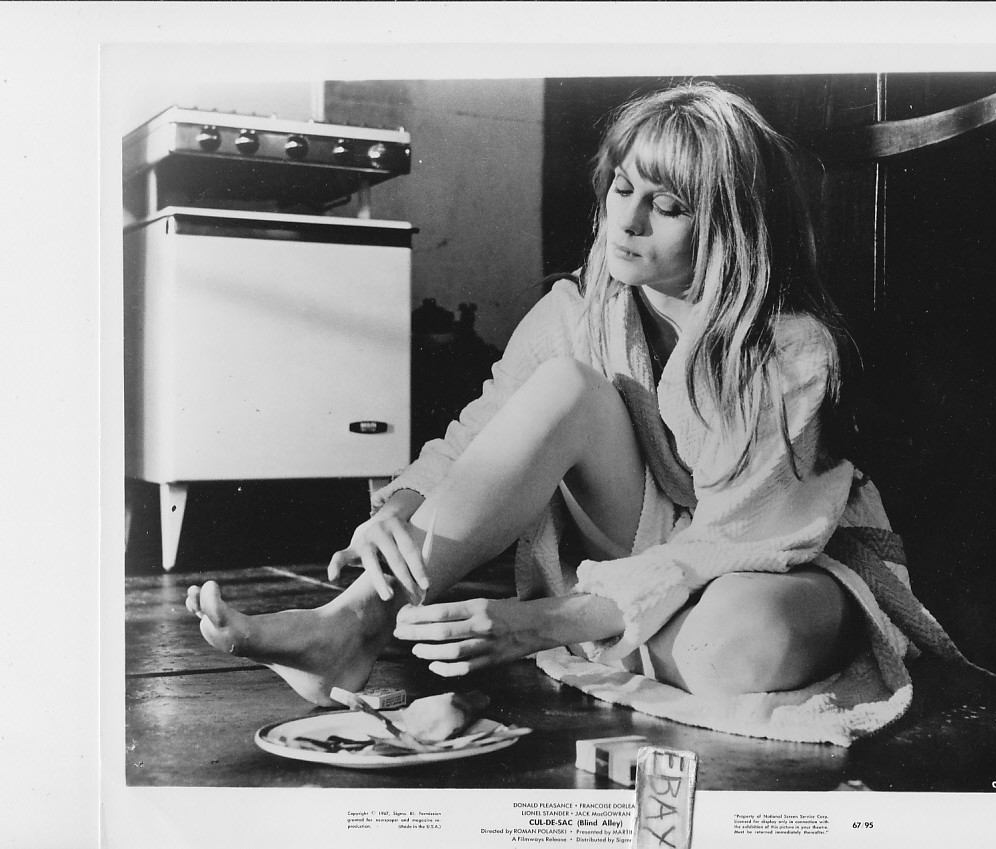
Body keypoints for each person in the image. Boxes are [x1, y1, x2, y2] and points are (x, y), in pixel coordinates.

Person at [185, 81, 906, 713]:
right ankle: (350, 626)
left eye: (667, 205)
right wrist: (396, 512)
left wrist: (539, 624)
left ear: (730, 223)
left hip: (764, 560)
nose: (628, 220)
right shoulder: (578, 311)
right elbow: (477, 437)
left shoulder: (789, 349)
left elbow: (735, 540)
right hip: (645, 546)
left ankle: (601, 628)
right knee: (564, 385)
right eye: (621, 187)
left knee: (741, 643)